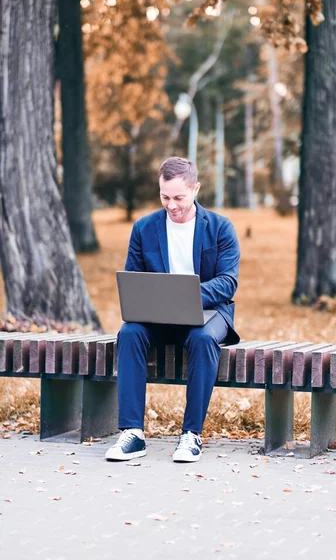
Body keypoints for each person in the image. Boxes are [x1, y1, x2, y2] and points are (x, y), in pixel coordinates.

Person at [106, 157, 240, 463]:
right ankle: (132, 434)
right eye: (165, 197)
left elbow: (227, 284)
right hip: (159, 314)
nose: (172, 205)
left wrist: (189, 295)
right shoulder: (144, 228)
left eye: (179, 197)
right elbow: (135, 280)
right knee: (128, 334)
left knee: (203, 339)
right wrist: (159, 299)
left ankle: (191, 435)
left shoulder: (220, 228)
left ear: (195, 189)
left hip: (209, 314)